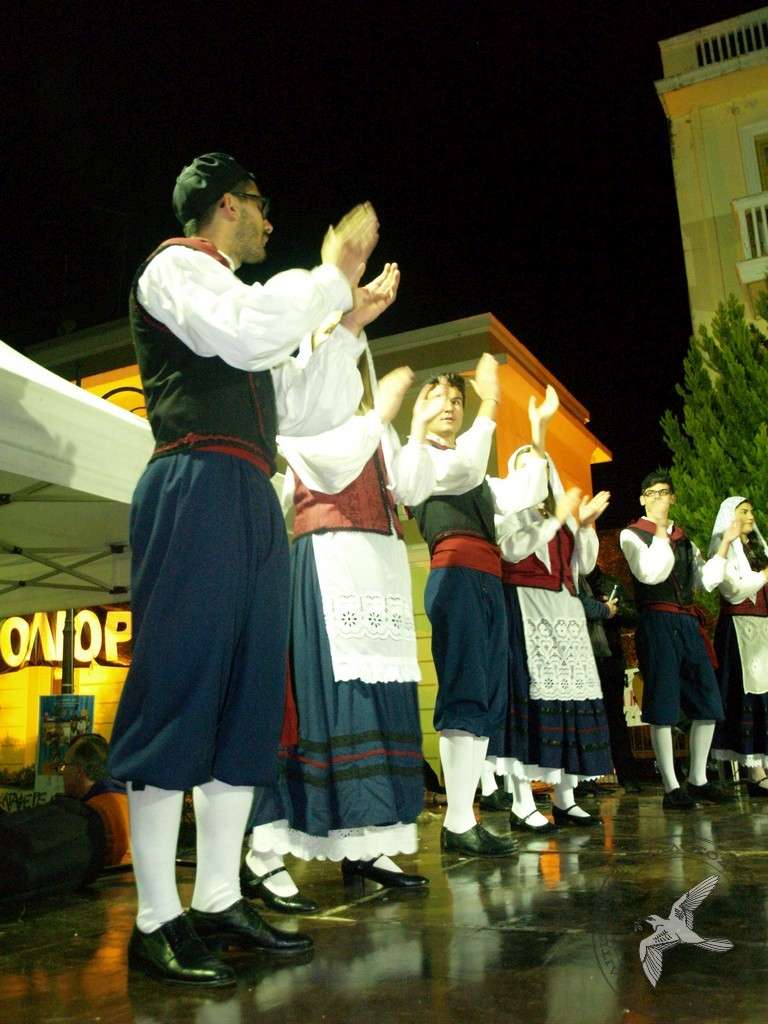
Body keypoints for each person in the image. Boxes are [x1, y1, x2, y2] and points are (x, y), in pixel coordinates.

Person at [107, 151, 384, 987]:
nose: (269, 219)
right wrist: (331, 276)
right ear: (226, 204)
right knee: (181, 686)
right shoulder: (175, 269)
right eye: (260, 204)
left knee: (246, 699)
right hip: (194, 481)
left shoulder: (238, 297)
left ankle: (220, 895)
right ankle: (156, 918)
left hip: (251, 492)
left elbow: (302, 405)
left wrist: (346, 330)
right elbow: (250, 328)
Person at [245, 359, 450, 904]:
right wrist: (380, 414)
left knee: (379, 701)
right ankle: (264, 852)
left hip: (380, 570)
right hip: (330, 565)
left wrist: (416, 429)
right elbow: (331, 470)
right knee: (331, 703)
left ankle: (366, 842)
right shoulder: (303, 412)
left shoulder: (370, 422)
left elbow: (411, 487)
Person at [411, 356, 541, 857]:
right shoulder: (420, 457)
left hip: (487, 578)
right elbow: (464, 468)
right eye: (439, 397)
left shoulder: (474, 469)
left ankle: (465, 817)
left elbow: (528, 490)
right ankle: (458, 819)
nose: (450, 405)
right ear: (421, 407)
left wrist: (538, 430)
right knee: (464, 692)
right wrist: (489, 400)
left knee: (487, 697)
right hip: (456, 574)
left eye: (457, 399)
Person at [491, 392, 612, 831]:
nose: (536, 474)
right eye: (527, 467)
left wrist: (584, 524)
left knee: (568, 701)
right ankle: (522, 801)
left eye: (540, 467)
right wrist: (552, 520)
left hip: (564, 611)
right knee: (529, 700)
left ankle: (566, 796)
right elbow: (511, 550)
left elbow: (585, 564)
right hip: (526, 608)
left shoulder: (560, 516)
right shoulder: (510, 514)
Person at [619, 470, 741, 810]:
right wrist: (660, 531)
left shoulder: (685, 540)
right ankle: (671, 786)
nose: (658, 498)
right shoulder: (632, 535)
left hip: (687, 623)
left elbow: (705, 582)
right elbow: (649, 573)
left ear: (672, 498)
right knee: (663, 704)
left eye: (664, 492)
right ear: (642, 499)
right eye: (652, 493)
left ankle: (698, 778)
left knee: (707, 701)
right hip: (657, 621)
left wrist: (725, 544)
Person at [0, 734, 129, 902]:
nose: (61, 773)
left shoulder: (91, 813)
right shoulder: (124, 800)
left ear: (79, 770)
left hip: (107, 902)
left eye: (64, 767)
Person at [708, 496, 768, 796]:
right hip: (738, 630)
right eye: (744, 511)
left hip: (763, 629)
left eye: (751, 510)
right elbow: (733, 591)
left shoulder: (759, 549)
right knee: (746, 697)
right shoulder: (723, 550)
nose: (750, 515)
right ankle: (754, 770)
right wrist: (764, 576)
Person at [578, 567, 641, 793]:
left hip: (610, 659)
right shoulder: (573, 580)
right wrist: (599, 609)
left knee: (615, 718)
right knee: (584, 718)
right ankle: (586, 778)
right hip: (583, 657)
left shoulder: (609, 582)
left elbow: (633, 616)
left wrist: (615, 609)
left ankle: (627, 775)